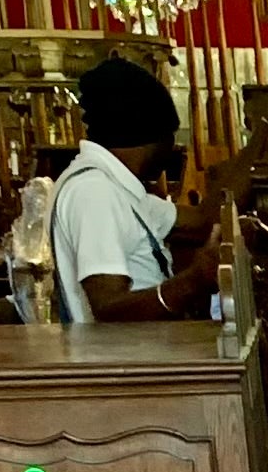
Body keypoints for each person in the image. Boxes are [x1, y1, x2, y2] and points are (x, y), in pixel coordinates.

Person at [50, 56, 219, 326]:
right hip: (127, 364)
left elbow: (204, 219)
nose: (171, 150)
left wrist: (263, 136)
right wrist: (192, 281)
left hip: (152, 357)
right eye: (169, 137)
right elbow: (107, 308)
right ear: (148, 136)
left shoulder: (116, 188)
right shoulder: (95, 192)